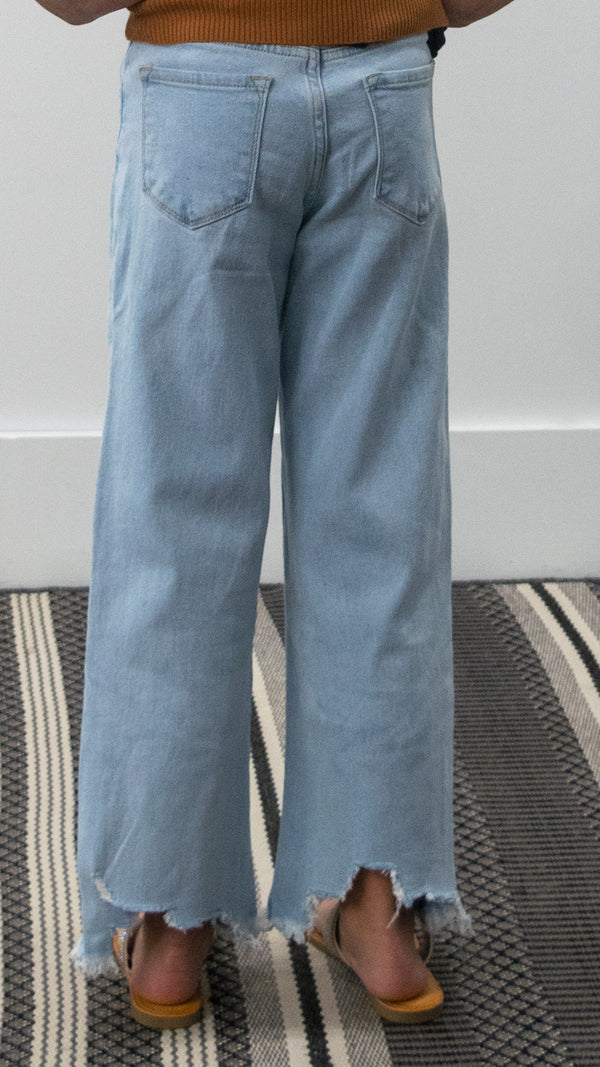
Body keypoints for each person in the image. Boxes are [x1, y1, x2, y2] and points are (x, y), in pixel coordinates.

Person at [37, 0, 515, 1030]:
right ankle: (377, 907)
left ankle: (168, 926)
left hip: (198, 92)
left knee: (171, 526)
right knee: (380, 524)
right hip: (382, 90)